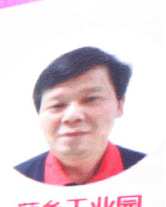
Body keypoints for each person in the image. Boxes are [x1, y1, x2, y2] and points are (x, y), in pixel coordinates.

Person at [15, 47, 145, 186]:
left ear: (119, 105)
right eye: (58, 105)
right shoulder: (13, 182)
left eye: (91, 99)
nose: (72, 116)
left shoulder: (153, 171)